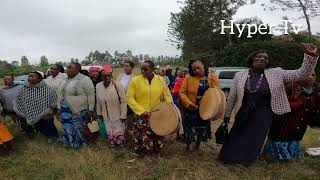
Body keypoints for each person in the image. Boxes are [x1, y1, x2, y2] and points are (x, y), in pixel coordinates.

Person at [218, 43, 318, 166]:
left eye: (266, 58)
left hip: (264, 112)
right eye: (259, 56)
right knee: (237, 133)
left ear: (268, 62)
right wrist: (227, 116)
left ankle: (245, 160)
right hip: (244, 110)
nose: (262, 59)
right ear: (252, 59)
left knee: (255, 136)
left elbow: (300, 74)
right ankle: (228, 157)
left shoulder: (277, 73)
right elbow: (232, 96)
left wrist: (310, 56)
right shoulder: (240, 75)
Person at [264, 70, 320, 160]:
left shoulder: (317, 89)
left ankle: (292, 155)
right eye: (307, 74)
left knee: (295, 137)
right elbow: (278, 100)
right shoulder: (290, 86)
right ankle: (275, 157)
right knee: (281, 136)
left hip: (302, 121)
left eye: (313, 75)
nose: (310, 77)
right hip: (285, 119)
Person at [127, 60, 173, 154]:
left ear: (152, 69)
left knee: (157, 131)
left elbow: (167, 94)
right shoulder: (135, 80)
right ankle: (144, 151)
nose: (143, 71)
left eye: (146, 69)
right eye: (141, 69)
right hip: (141, 114)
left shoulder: (160, 80)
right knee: (143, 133)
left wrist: (169, 106)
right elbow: (129, 98)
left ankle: (156, 149)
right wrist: (141, 111)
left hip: (157, 113)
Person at [179, 60, 220, 152]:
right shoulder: (188, 78)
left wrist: (213, 77)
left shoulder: (210, 77)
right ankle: (188, 146)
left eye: (198, 68)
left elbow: (216, 91)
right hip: (192, 107)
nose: (196, 71)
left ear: (204, 66)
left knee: (202, 128)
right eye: (194, 69)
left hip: (206, 107)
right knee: (190, 128)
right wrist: (189, 103)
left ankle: (197, 145)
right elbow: (182, 92)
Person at [59, 62, 96, 149]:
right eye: (67, 67)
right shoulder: (65, 79)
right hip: (65, 109)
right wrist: (59, 107)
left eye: (70, 67)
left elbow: (91, 95)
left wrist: (91, 109)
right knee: (67, 127)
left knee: (79, 127)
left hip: (79, 109)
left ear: (77, 69)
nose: (67, 69)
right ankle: (72, 143)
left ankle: (83, 144)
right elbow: (60, 93)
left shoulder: (85, 79)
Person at [14, 71, 58, 144]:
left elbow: (53, 101)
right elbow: (19, 100)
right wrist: (22, 111)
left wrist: (50, 112)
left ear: (39, 79)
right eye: (29, 76)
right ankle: (42, 134)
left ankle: (52, 136)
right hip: (31, 112)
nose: (30, 78)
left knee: (48, 125)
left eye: (32, 76)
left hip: (45, 113)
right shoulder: (23, 89)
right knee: (38, 125)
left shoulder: (47, 89)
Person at [96, 65, 127, 148]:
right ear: (101, 77)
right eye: (104, 76)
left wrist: (123, 115)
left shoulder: (117, 85)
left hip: (117, 112)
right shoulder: (98, 86)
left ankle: (120, 145)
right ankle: (112, 143)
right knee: (109, 129)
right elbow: (98, 101)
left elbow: (124, 101)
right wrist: (99, 112)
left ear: (111, 76)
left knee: (118, 130)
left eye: (109, 75)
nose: (107, 77)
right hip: (105, 113)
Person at [116, 61, 135, 139]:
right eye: (124, 66)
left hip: (128, 102)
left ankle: (129, 133)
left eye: (127, 66)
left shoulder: (135, 78)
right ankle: (120, 132)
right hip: (118, 100)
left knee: (128, 117)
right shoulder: (120, 76)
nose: (125, 67)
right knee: (120, 117)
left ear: (132, 68)